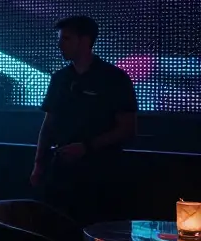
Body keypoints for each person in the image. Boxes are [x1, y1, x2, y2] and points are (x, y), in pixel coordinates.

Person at [32, 16, 137, 224]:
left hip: (101, 175)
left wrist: (86, 147)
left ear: (85, 40)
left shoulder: (114, 78)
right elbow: (48, 124)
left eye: (66, 39)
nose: (59, 45)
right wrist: (39, 164)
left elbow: (128, 128)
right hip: (61, 173)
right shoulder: (60, 78)